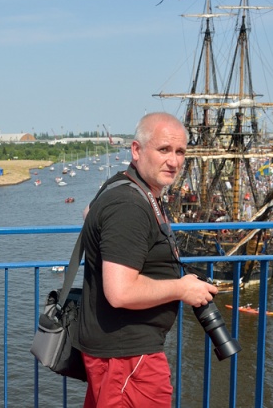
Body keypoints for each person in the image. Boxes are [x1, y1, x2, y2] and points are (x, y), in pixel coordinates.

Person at [77, 112, 218, 407]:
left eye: (180, 152)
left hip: (119, 355)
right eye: (164, 149)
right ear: (137, 150)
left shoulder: (121, 186)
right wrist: (182, 289)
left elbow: (90, 212)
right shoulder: (130, 203)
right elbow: (120, 292)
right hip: (127, 359)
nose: (174, 161)